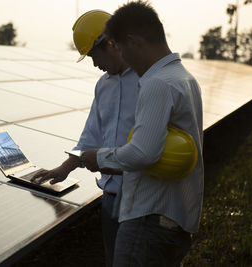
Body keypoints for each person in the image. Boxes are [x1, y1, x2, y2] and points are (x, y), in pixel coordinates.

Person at [80, 1, 204, 266]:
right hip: (175, 217)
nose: (122, 57)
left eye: (121, 48)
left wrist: (99, 158)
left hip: (149, 219)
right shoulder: (184, 78)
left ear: (133, 41)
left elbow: (143, 153)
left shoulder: (156, 83)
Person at [31, 10, 139, 267]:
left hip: (142, 200)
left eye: (93, 55)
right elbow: (90, 136)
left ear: (109, 43)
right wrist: (64, 169)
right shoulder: (103, 85)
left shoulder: (149, 81)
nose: (94, 64)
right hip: (111, 200)